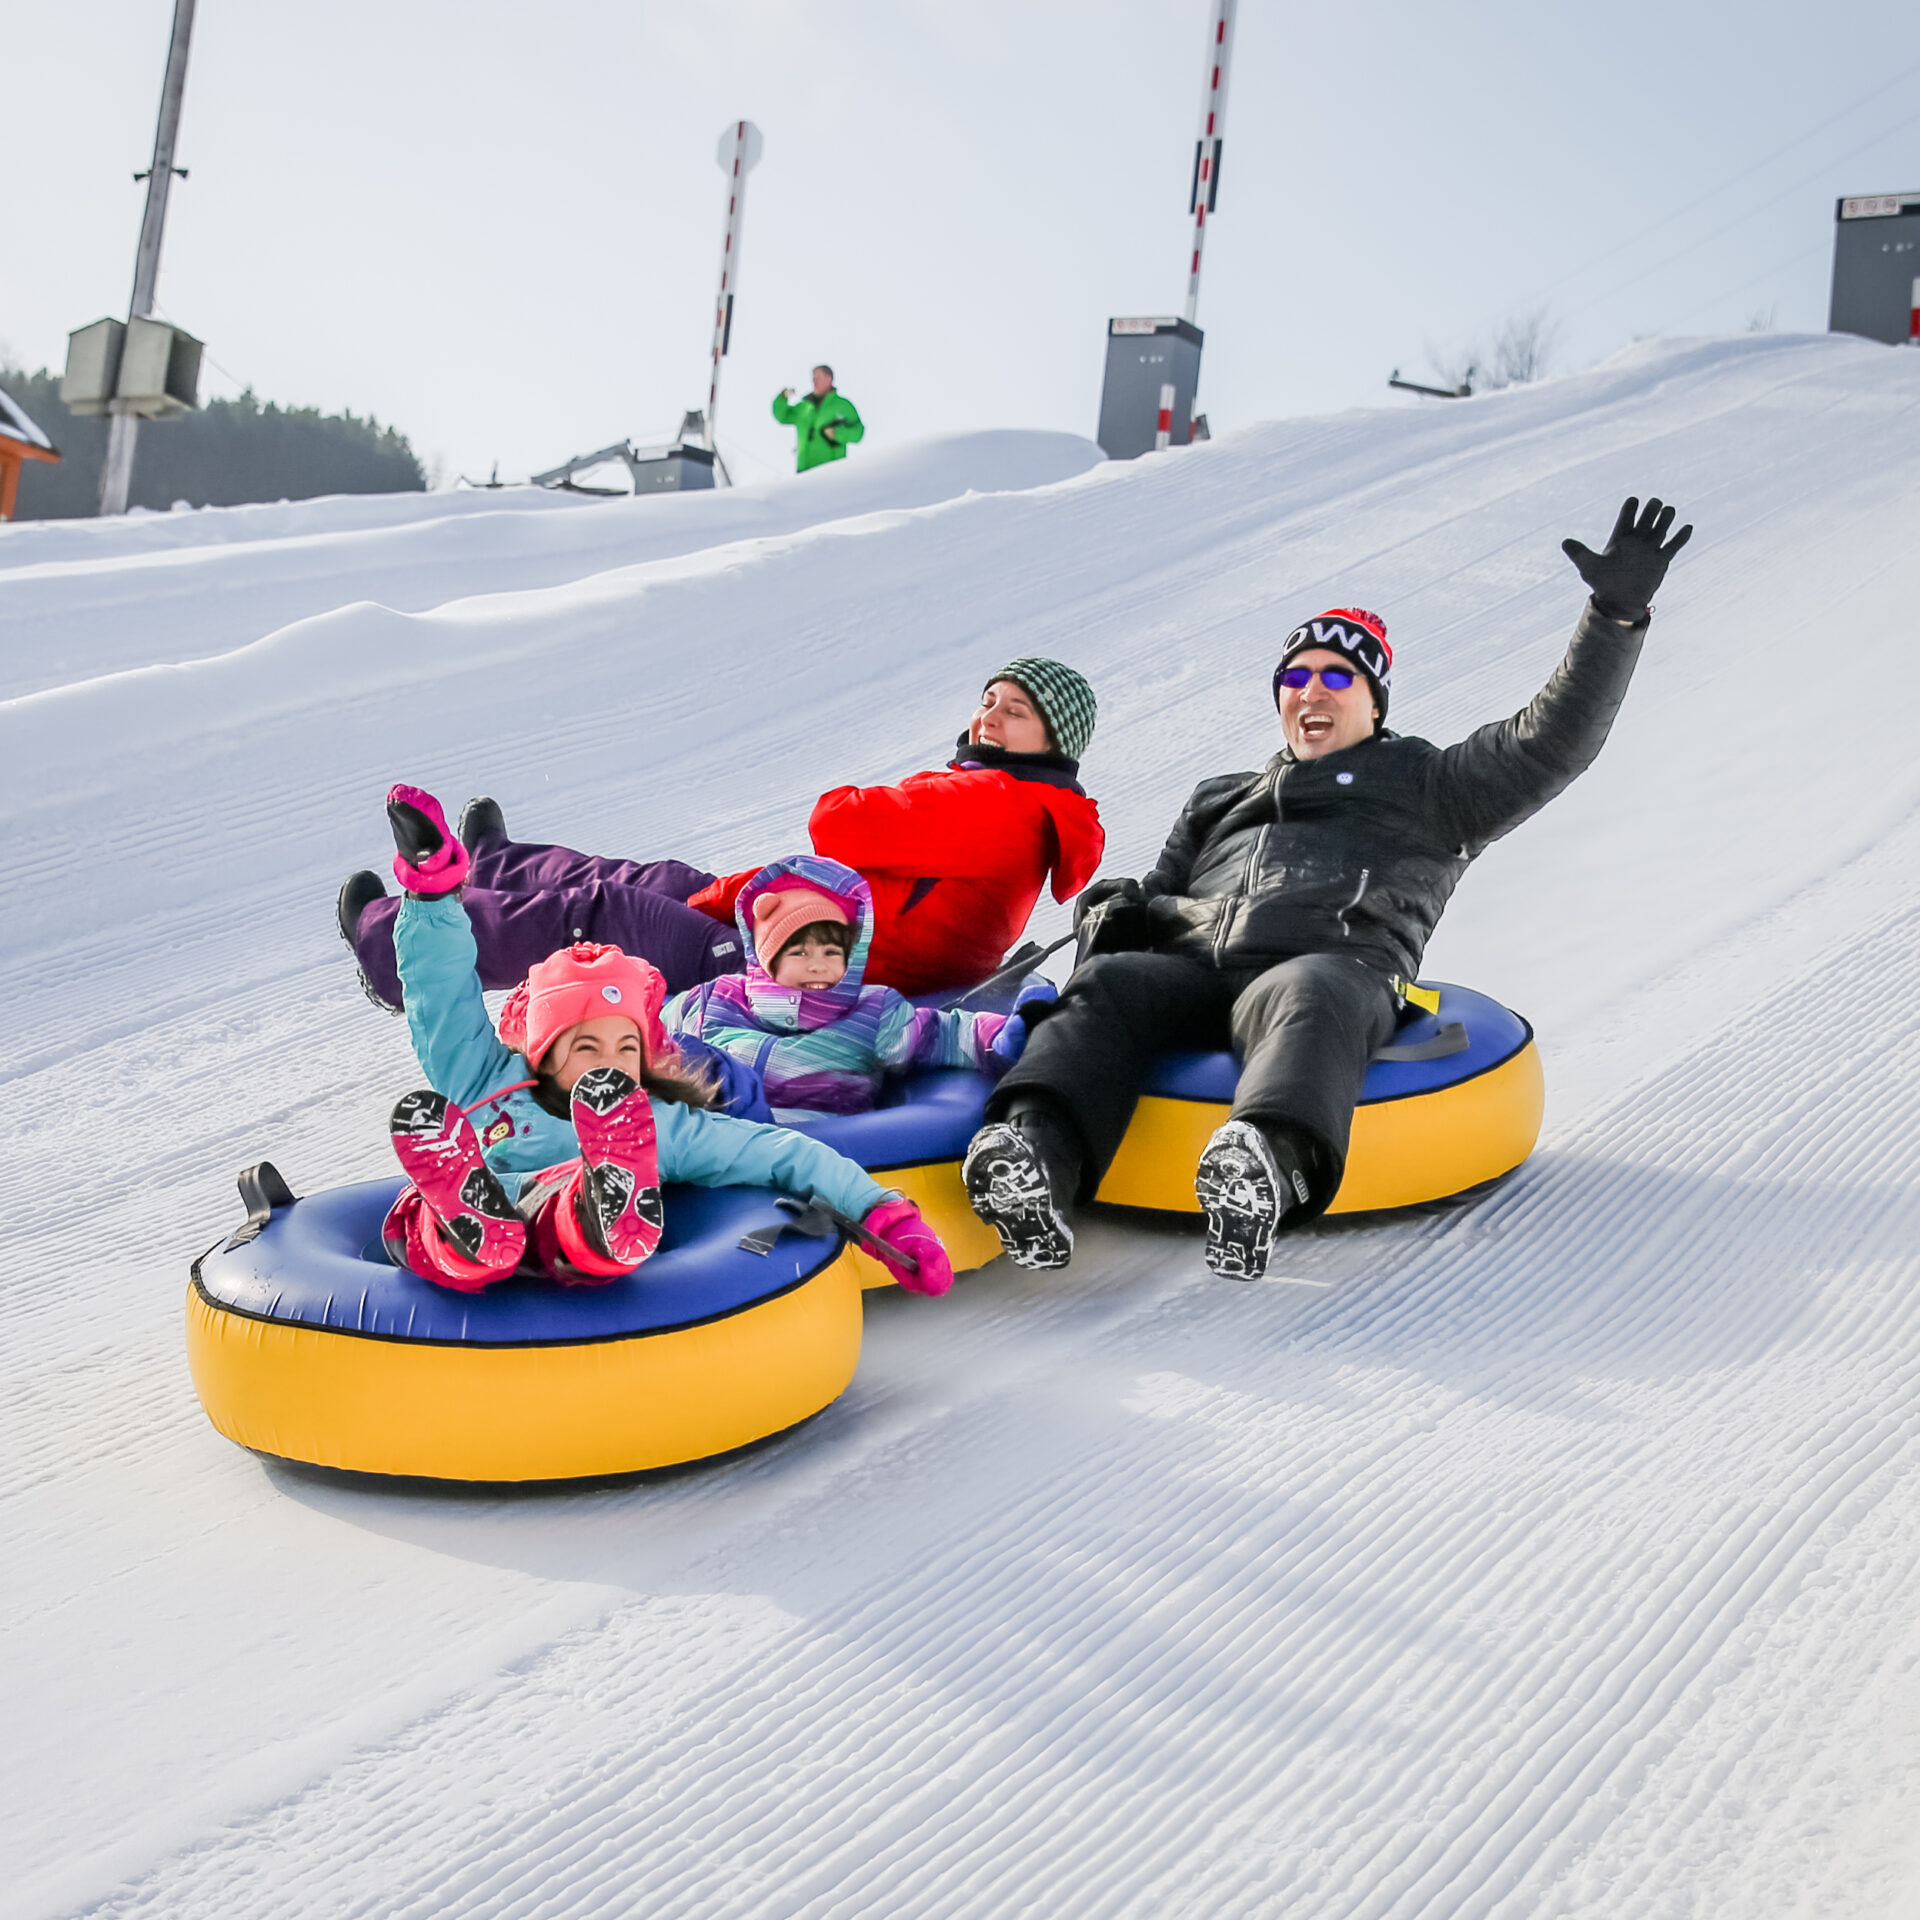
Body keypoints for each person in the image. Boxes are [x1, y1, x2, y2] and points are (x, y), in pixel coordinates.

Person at [962, 496, 1694, 1281]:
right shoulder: (1221, 796)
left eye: (1337, 676)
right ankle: (1032, 1161)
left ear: (1373, 700)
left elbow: (1551, 742)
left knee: (1313, 987)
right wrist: (1116, 908)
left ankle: (1264, 1167)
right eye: (1297, 676)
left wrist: (1614, 617)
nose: (1313, 690)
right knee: (1112, 980)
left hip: (1325, 965)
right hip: (1191, 972)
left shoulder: (1431, 785)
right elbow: (1160, 891)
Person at [375, 785, 952, 1295]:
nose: (611, 1064)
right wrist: (431, 899)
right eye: (586, 1047)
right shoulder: (484, 1076)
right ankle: (466, 1215)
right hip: (480, 1215)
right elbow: (440, 994)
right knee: (424, 1218)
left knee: (568, 1213)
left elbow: (781, 1152)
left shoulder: (654, 1124)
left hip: (562, 1225)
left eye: (627, 1049)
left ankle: (601, 1205)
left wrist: (884, 1216)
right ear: (542, 1052)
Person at [338, 658, 1104, 1006]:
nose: (988, 718)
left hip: (784, 972)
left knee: (601, 913)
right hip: (785, 927)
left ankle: (392, 951)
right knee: (653, 880)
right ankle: (492, 866)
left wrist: (921, 789)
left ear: (1053, 743)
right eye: (988, 700)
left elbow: (836, 822)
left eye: (1014, 711)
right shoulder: (1018, 807)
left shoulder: (997, 802)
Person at [663, 853, 1057, 1118]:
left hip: (818, 1149)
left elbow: (943, 1032)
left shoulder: (872, 1013)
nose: (818, 966)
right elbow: (650, 1026)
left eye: (832, 953)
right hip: (720, 1138)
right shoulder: (716, 1000)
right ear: (768, 958)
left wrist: (1009, 1034)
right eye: (800, 954)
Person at [773, 365, 864, 473]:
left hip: (832, 472)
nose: (814, 381)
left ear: (829, 379)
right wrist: (782, 398)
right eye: (813, 378)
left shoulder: (842, 405)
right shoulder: (804, 407)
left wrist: (838, 434)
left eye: (818, 378)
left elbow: (859, 432)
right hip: (804, 471)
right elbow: (782, 416)